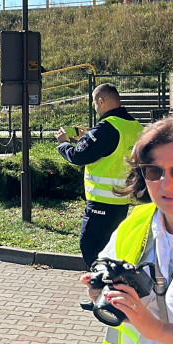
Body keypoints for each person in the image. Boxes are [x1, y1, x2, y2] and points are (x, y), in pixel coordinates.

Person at [82, 116, 173, 344]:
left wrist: (158, 329)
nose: (166, 183)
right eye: (154, 171)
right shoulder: (136, 223)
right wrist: (101, 292)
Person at [56, 83, 145, 268]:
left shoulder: (106, 128)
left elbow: (78, 156)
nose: (95, 108)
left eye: (95, 103)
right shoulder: (135, 126)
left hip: (101, 201)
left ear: (101, 101)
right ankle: (108, 292)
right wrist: (86, 138)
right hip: (122, 200)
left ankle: (100, 293)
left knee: (91, 248)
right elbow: (111, 151)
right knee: (111, 250)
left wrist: (63, 144)